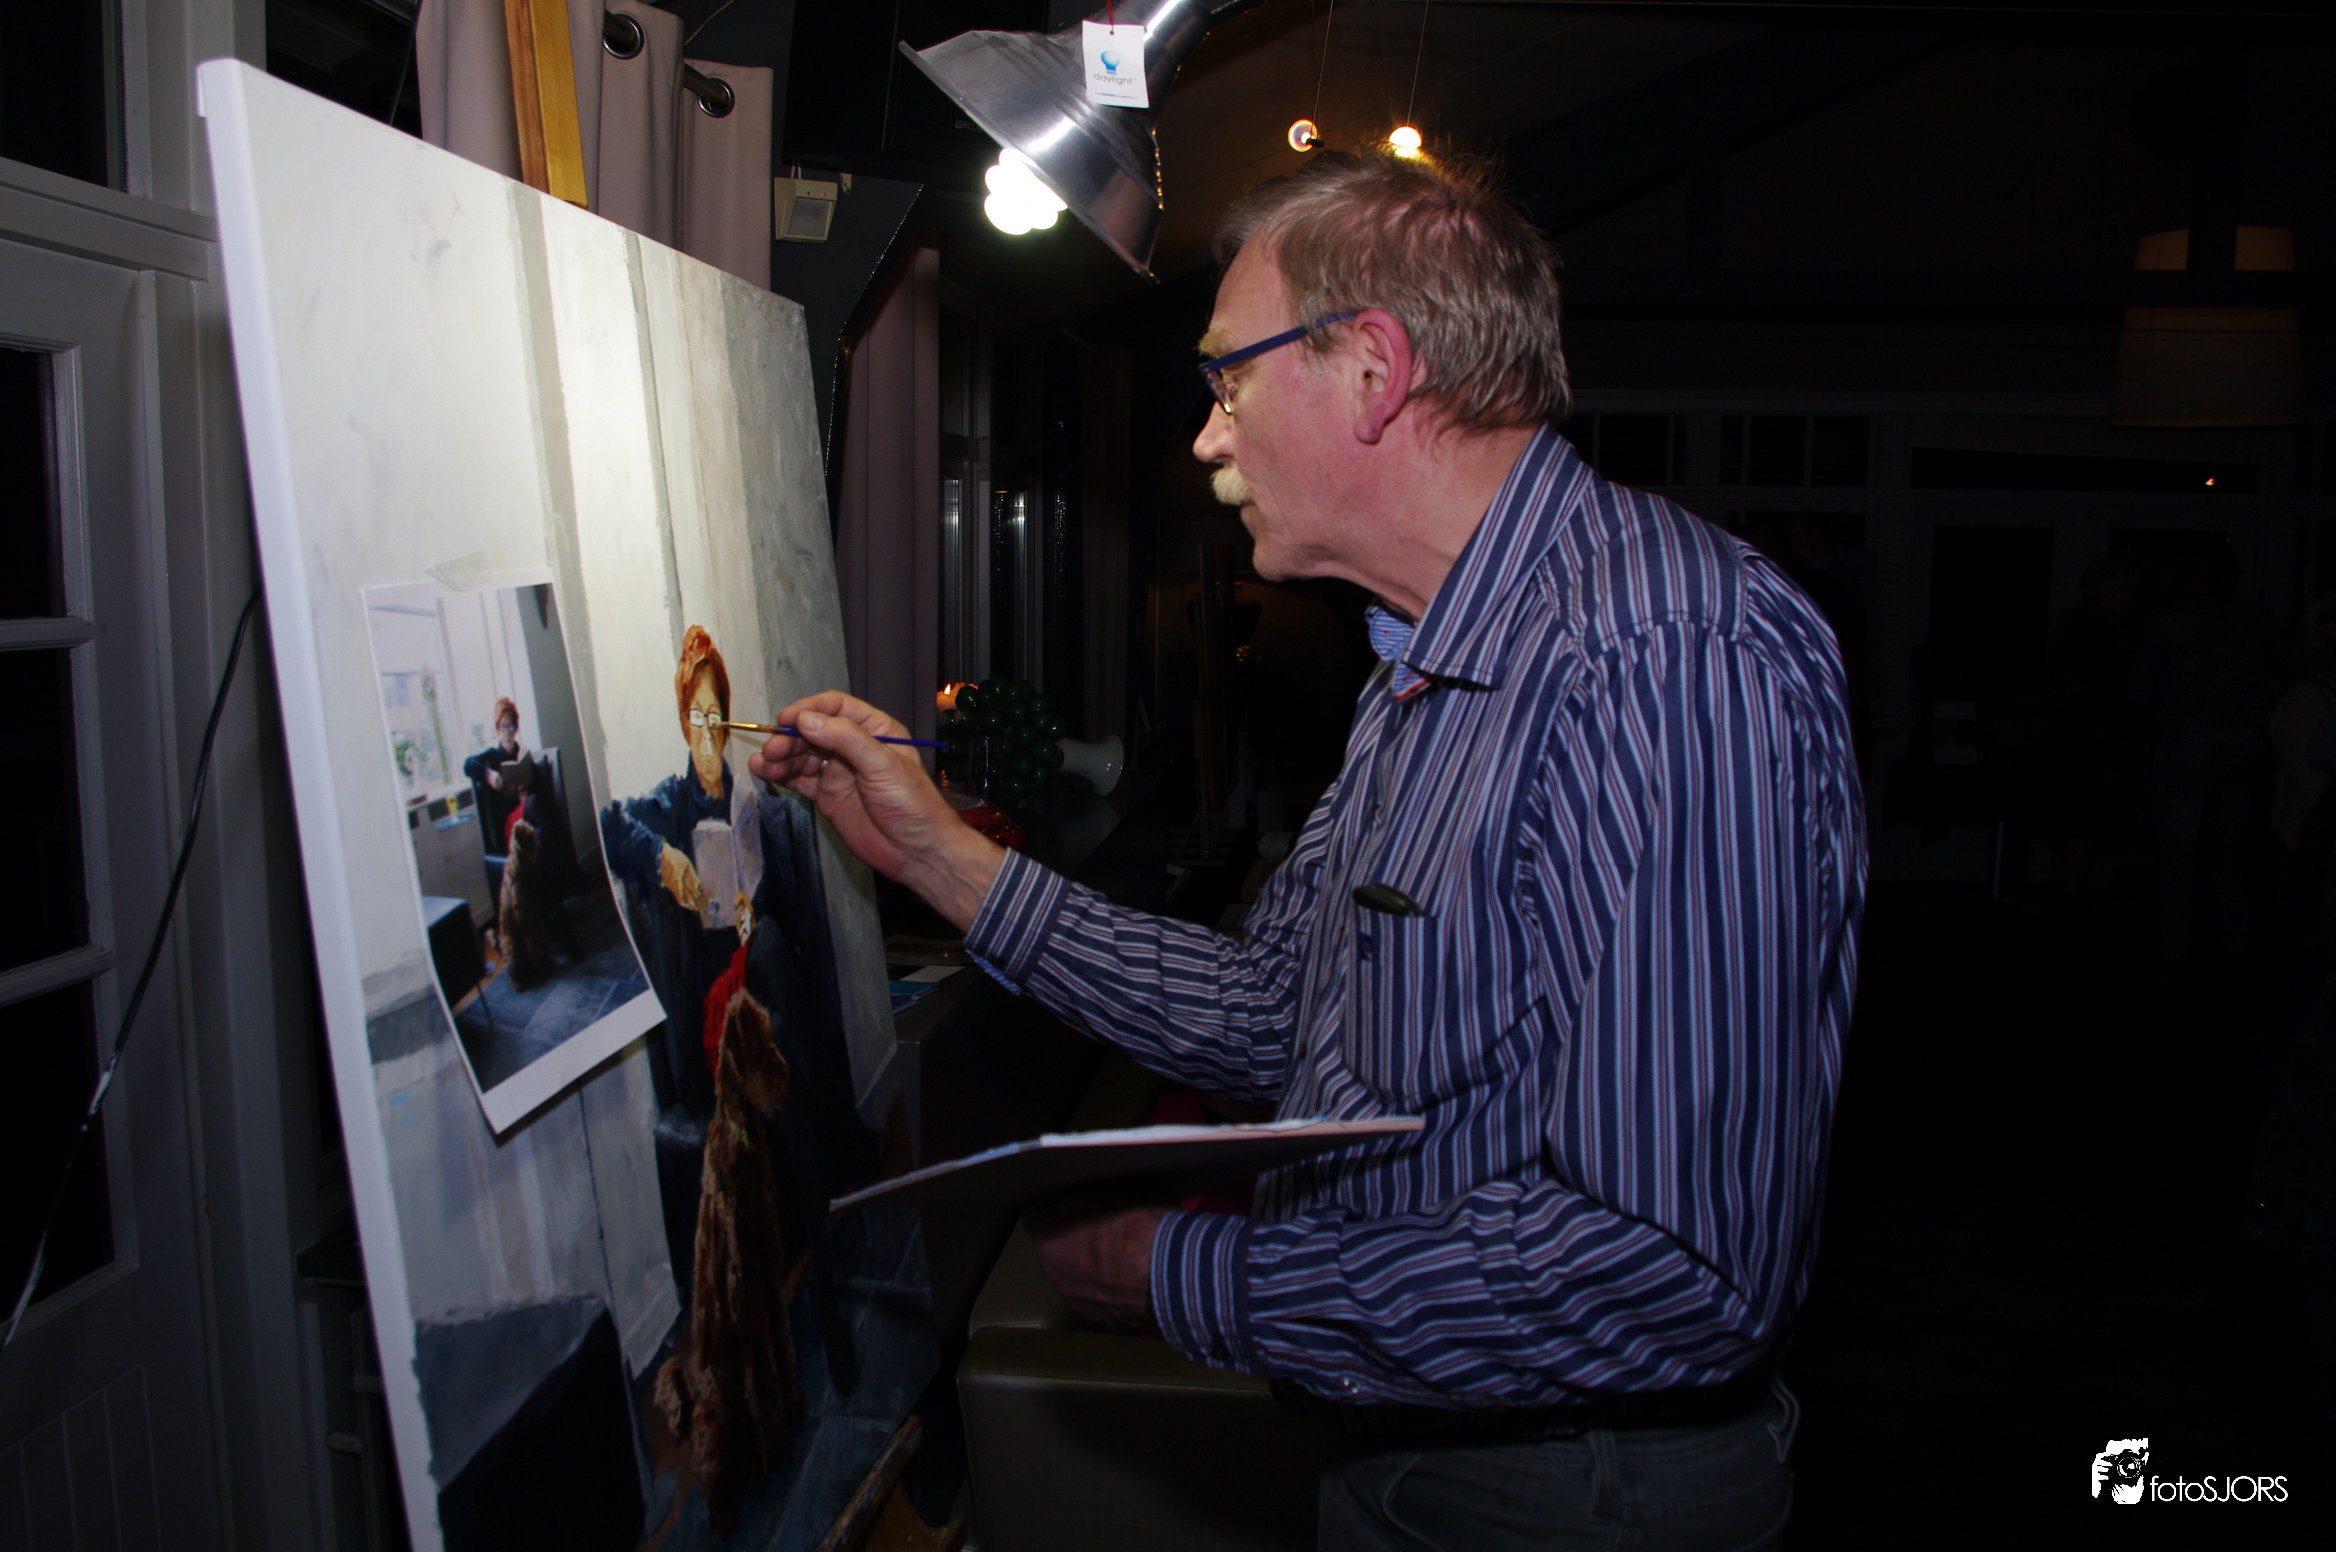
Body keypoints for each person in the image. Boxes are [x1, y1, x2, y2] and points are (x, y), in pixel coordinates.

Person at [753, 151, 1865, 1551]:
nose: (1205, 440)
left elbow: (1672, 1269)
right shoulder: (1425, 658)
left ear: (1373, 371)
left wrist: (1186, 1278)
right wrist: (939, 860)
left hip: (1569, 1493)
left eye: (1226, 381)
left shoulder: (1666, 654)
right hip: (1416, 1446)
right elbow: (1283, 1016)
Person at [462, 695, 527, 840]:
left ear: (516, 729)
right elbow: (467, 764)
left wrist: (526, 792)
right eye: (503, 726)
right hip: (507, 824)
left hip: (524, 814)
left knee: (537, 803)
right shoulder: (492, 756)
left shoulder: (522, 756)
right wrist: (489, 775)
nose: (507, 732)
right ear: (498, 729)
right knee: (535, 805)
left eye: (511, 726)